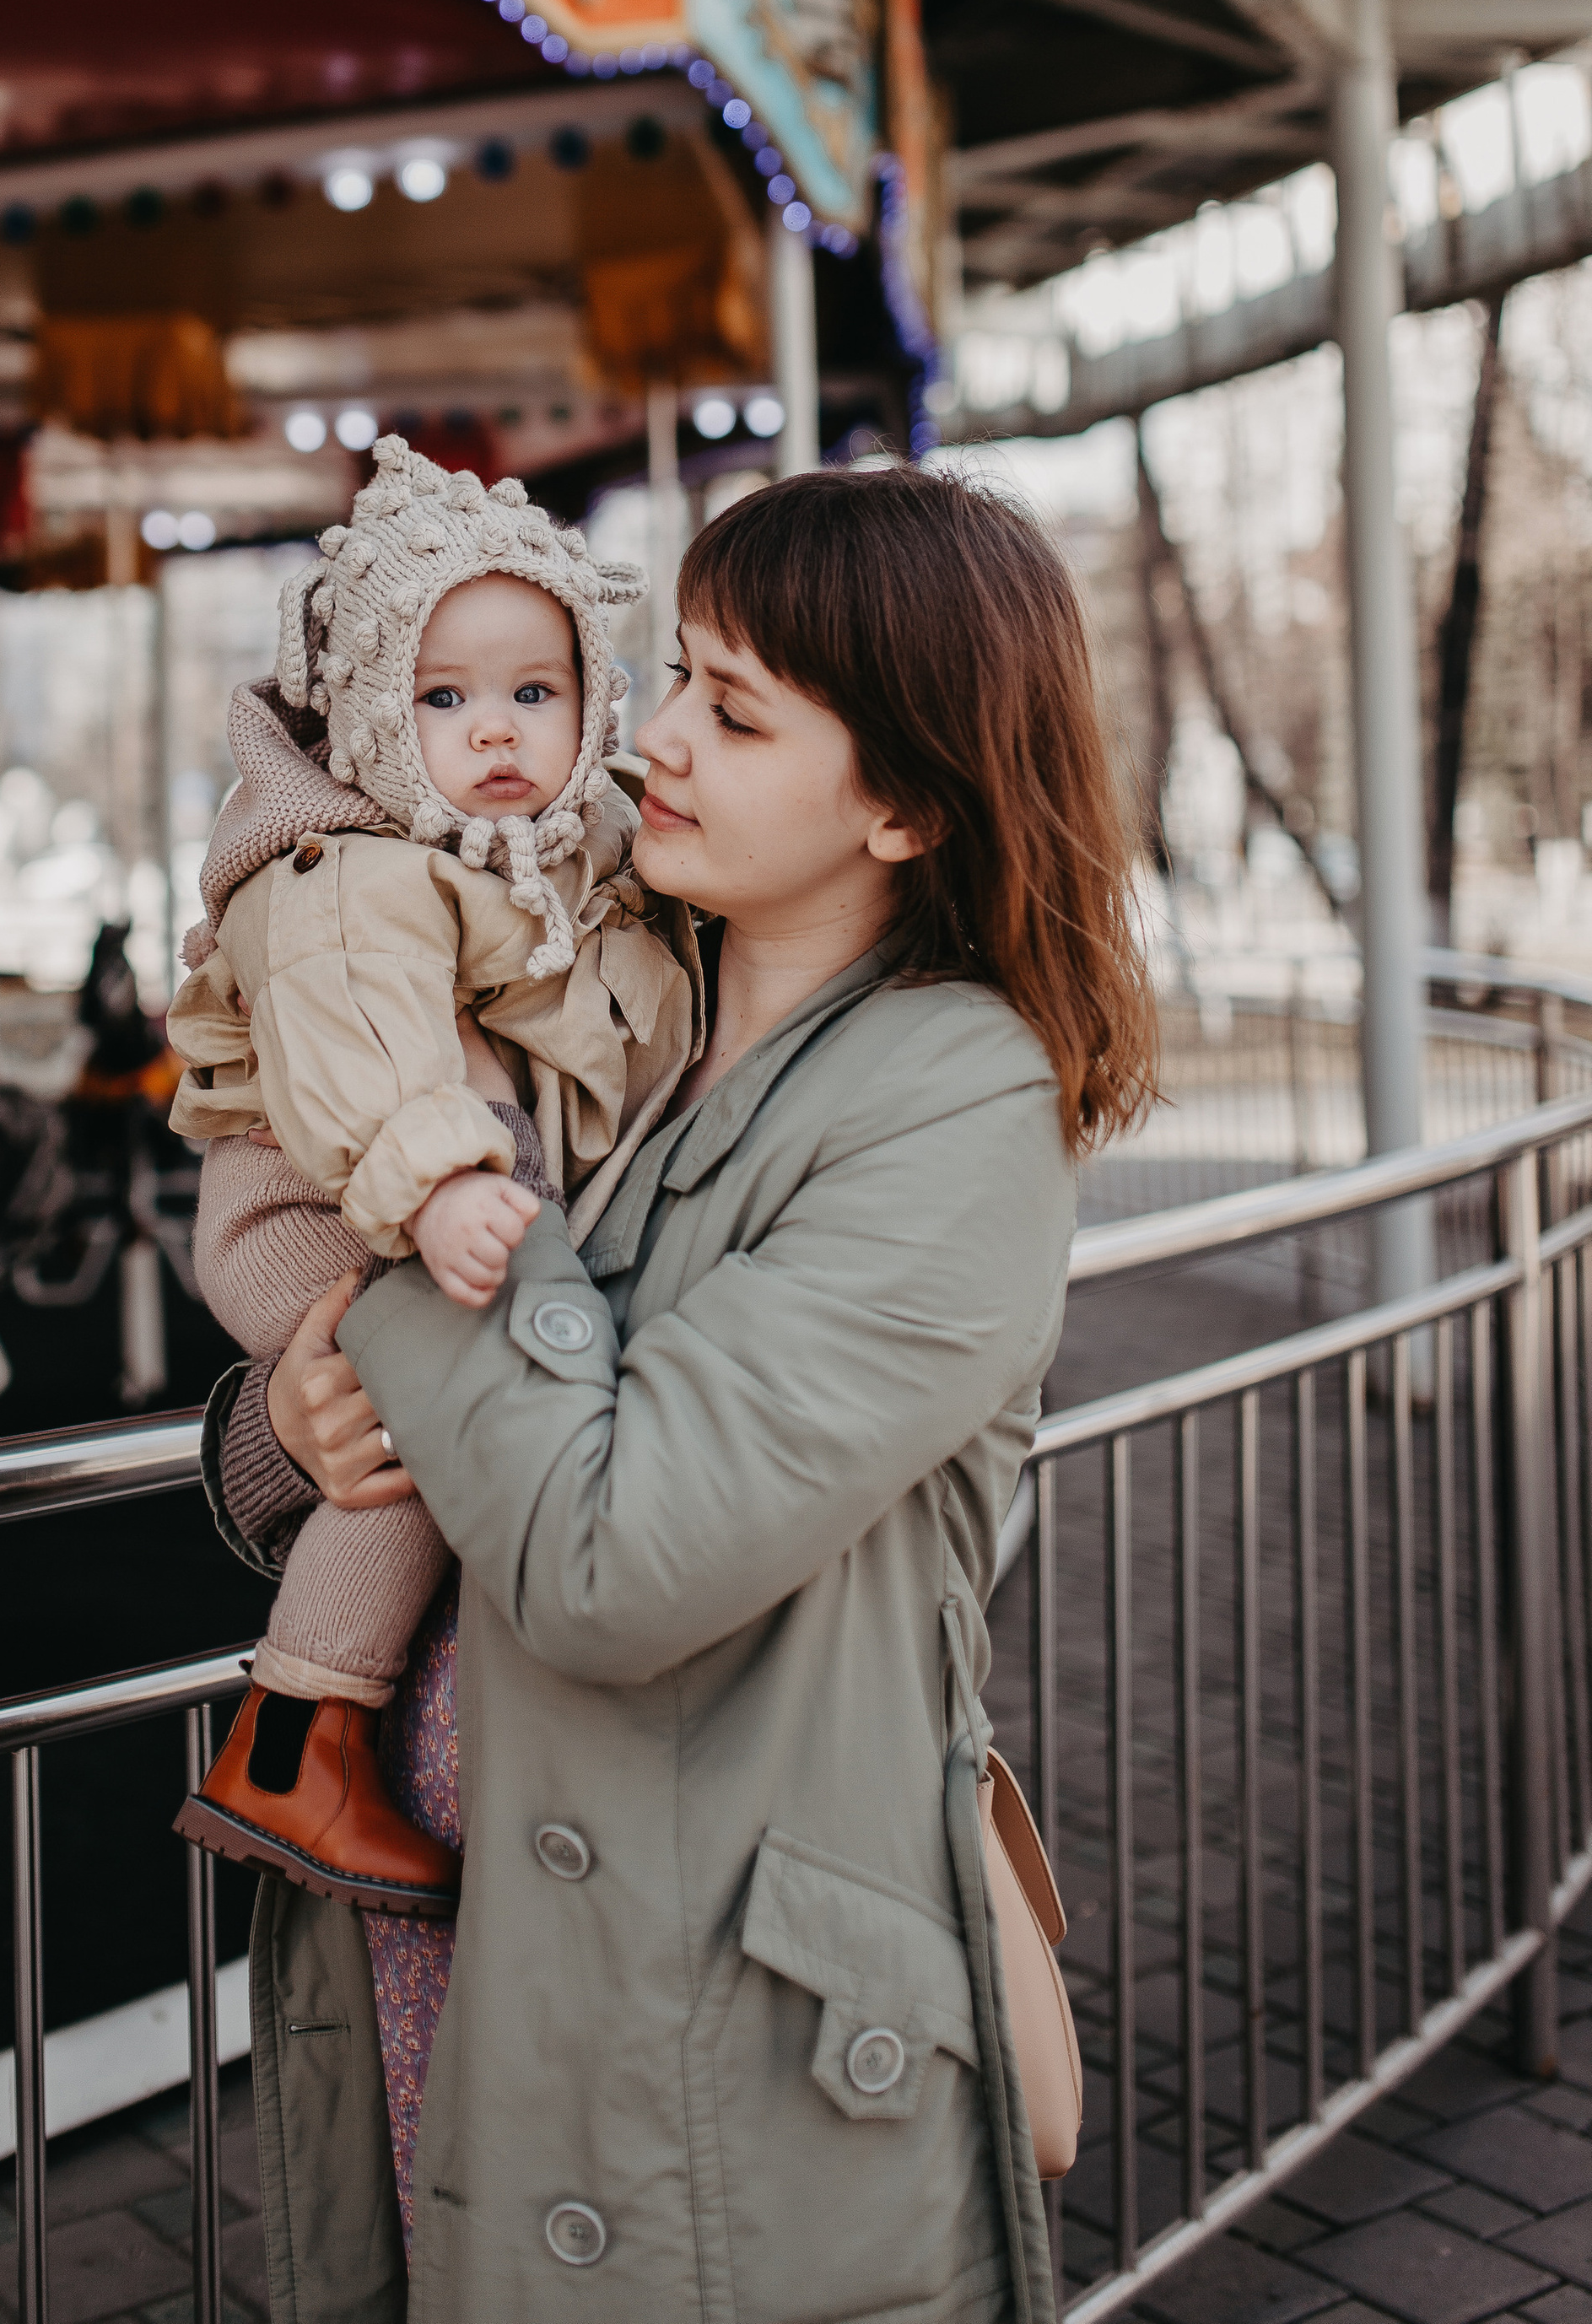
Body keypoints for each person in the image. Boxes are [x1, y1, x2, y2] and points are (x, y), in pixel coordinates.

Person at [203, 465, 1158, 2319]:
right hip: (469, 1962)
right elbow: (388, 1378)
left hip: (714, 2026)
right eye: (674, 683)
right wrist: (272, 1438)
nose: (652, 742)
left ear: (899, 801)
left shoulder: (948, 1101)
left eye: (734, 710)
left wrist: (412, 1191)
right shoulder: (619, 1003)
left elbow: (608, 1553)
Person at [165, 435, 698, 1912]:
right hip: (312, 1202)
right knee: (424, 1404)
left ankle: (310, 1734)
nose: (499, 732)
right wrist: (445, 1178)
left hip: (408, 1196)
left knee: (433, 1396)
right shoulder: (344, 870)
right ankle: (299, 1734)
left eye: (537, 691)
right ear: (370, 723)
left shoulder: (554, 859)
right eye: (445, 699)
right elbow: (365, 1050)